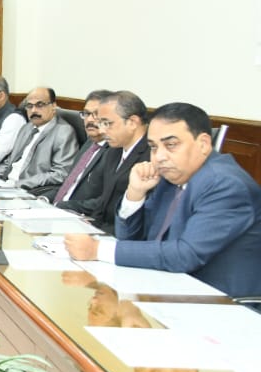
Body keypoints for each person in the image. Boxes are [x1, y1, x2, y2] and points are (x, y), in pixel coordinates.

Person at [64, 102, 261, 297]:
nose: (159, 157)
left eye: (171, 145)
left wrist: (97, 250)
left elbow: (186, 255)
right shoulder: (171, 179)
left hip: (219, 302)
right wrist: (135, 194)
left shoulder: (225, 184)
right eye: (153, 147)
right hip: (166, 287)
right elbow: (133, 240)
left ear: (203, 144)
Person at [60, 90, 150, 231]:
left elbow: (143, 219)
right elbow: (104, 203)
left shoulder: (151, 157)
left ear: (132, 122)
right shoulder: (113, 151)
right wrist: (91, 227)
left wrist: (98, 236)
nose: (101, 130)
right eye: (101, 123)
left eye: (107, 123)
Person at [0, 87, 78, 196]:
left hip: (27, 191)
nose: (33, 110)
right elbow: (9, 161)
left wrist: (18, 184)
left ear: (53, 106)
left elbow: (60, 174)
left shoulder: (63, 132)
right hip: (4, 187)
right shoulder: (27, 128)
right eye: (29, 106)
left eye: (40, 105)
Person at [53, 89, 113, 207]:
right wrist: (44, 199)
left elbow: (104, 203)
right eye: (86, 113)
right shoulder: (89, 143)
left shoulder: (114, 152)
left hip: (78, 213)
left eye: (96, 114)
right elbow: (67, 186)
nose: (89, 119)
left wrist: (61, 206)